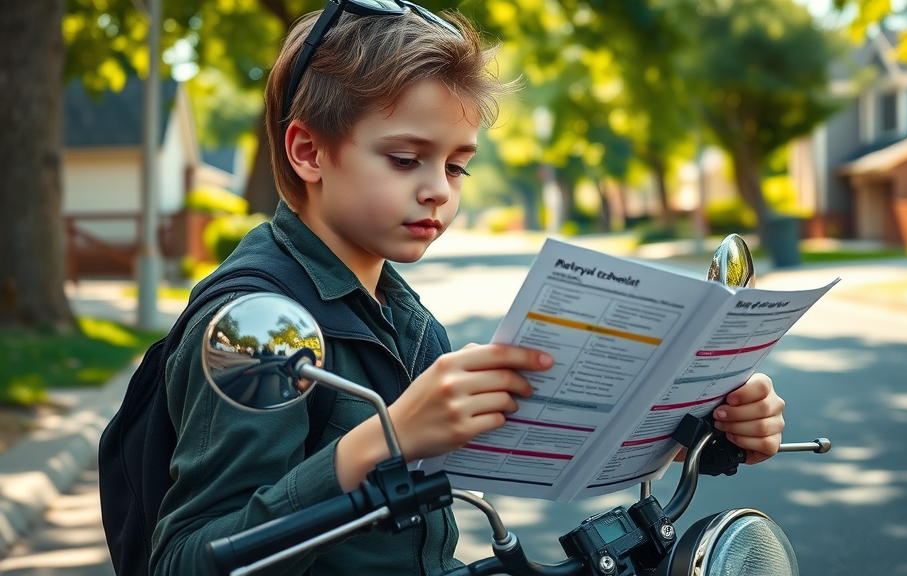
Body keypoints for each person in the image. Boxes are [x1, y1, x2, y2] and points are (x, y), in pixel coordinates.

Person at [151, 2, 786, 575]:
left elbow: (507, 446)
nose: (439, 190)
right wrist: (384, 438)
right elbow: (187, 560)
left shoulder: (403, 314)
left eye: (457, 165)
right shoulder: (256, 324)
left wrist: (698, 427)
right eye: (406, 159)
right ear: (308, 152)